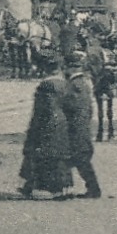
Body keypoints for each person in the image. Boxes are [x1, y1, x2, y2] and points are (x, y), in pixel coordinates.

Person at [19, 54, 73, 199]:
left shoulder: (45, 86)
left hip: (47, 124)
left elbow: (42, 109)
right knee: (59, 157)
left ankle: (33, 185)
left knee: (37, 154)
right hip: (63, 124)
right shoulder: (66, 85)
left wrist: (34, 127)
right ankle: (61, 187)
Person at [61, 52, 103, 198]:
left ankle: (89, 190)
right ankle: (91, 189)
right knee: (79, 161)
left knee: (76, 160)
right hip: (83, 128)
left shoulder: (74, 85)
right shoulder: (84, 83)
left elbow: (69, 107)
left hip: (75, 129)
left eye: (65, 68)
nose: (64, 71)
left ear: (70, 68)